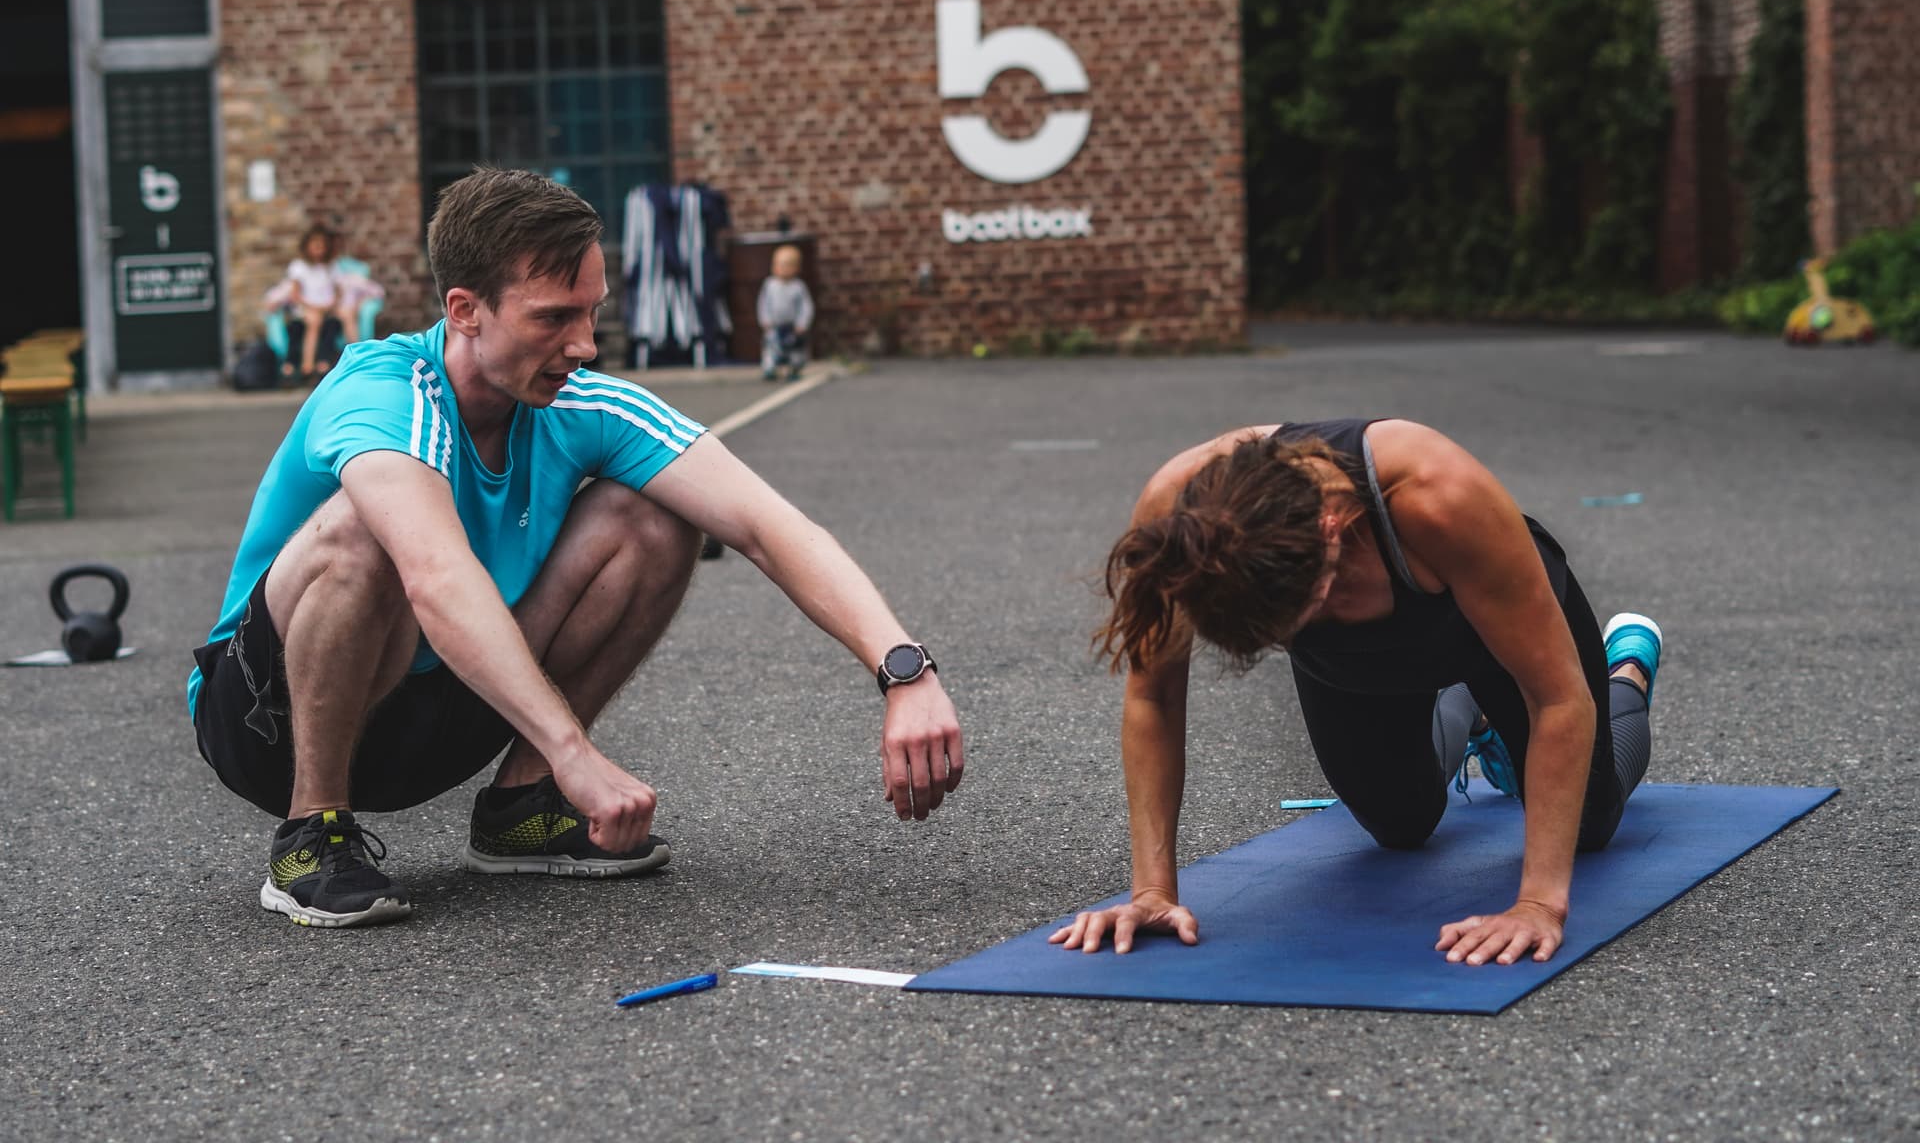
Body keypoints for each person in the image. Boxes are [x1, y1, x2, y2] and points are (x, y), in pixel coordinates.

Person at [188, 168, 964, 928]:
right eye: (553, 318)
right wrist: (577, 753)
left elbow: (768, 526)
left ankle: (520, 809)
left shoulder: (579, 401)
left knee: (654, 516)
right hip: (270, 724)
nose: (584, 344)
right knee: (365, 527)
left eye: (592, 313)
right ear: (465, 310)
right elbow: (435, 575)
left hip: (432, 712)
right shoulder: (384, 395)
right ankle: (311, 834)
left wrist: (903, 669)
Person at [1050, 419, 1661, 967]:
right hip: (1354, 668)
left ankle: (1624, 672)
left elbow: (1556, 699)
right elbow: (1153, 696)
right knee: (1401, 827)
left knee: (1587, 825)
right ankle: (1473, 712)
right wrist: (1153, 893)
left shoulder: (1436, 493)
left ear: (1331, 527)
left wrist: (1537, 905)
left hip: (1501, 633)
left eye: (1312, 604)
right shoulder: (1178, 520)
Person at [265, 225, 359, 380]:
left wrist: (331, 304)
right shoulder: (299, 267)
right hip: (306, 307)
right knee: (314, 321)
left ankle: (358, 353)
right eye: (315, 246)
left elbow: (338, 291)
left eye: (322, 247)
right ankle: (307, 366)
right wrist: (313, 306)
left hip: (327, 306)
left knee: (347, 314)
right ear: (306, 247)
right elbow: (295, 294)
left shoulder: (331, 266)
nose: (319, 250)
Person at [756, 244, 814, 381]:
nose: (783, 268)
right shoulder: (770, 285)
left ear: (796, 268)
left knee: (795, 349)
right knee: (771, 347)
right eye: (779, 264)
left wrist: (802, 323)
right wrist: (765, 320)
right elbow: (763, 304)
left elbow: (806, 307)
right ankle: (769, 368)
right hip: (774, 325)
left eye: (788, 265)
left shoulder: (798, 287)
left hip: (792, 326)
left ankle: (794, 369)